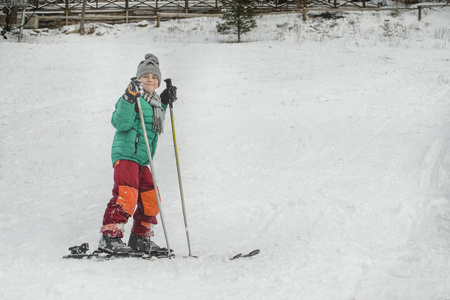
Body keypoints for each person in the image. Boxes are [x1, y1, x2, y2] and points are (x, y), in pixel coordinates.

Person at [98, 53, 177, 255]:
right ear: (138, 79)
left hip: (143, 159)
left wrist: (166, 103)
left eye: (154, 77)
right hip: (126, 154)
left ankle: (140, 237)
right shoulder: (132, 98)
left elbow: (152, 125)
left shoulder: (156, 103)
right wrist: (128, 97)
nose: (150, 80)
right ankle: (110, 237)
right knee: (126, 193)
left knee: (151, 197)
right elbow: (120, 123)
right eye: (145, 76)